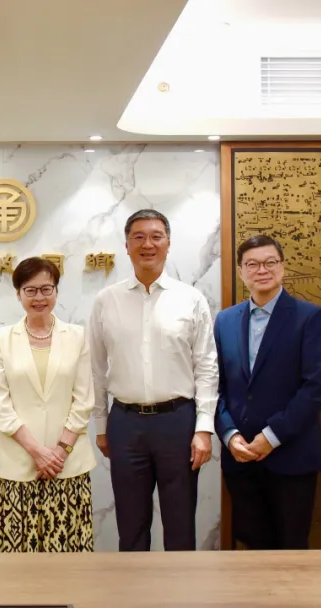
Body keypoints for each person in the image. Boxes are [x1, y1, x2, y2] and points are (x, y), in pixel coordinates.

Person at [88, 209, 217, 551]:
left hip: (178, 421)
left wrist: (204, 428)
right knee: (131, 526)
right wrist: (101, 426)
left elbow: (206, 366)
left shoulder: (190, 298)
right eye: (139, 237)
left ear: (168, 243)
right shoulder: (106, 300)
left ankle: (180, 587)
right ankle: (134, 586)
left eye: (156, 236)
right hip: (125, 422)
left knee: (180, 523)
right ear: (127, 245)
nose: (148, 244)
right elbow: (96, 368)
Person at [215, 234, 321, 550]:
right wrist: (229, 435)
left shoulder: (309, 316)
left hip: (291, 456)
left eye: (270, 262)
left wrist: (271, 436)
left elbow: (318, 386)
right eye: (252, 264)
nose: (262, 270)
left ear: (282, 267)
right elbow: (216, 386)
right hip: (241, 458)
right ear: (241, 271)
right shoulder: (225, 321)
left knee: (290, 550)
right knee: (251, 548)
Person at [0, 257, 96, 552]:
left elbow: (84, 400)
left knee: (69, 555)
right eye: (30, 290)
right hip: (17, 464)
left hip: (67, 465)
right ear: (18, 294)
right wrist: (38, 452)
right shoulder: (1, 339)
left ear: (57, 291)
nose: (39, 297)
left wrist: (58, 453)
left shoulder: (76, 336)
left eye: (46, 289)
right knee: (14, 558)